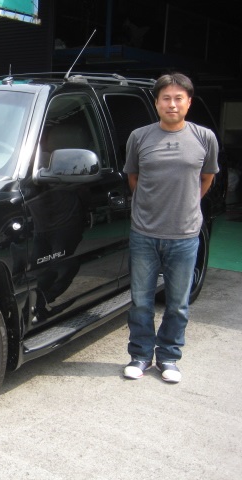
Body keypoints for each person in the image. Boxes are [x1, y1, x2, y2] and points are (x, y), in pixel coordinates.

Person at [122, 72, 219, 383]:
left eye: (179, 98)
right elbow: (133, 178)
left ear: (189, 103)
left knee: (177, 304)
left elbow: (206, 178)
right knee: (141, 301)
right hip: (144, 233)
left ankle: (169, 357)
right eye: (166, 98)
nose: (172, 104)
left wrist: (186, 203)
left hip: (185, 235)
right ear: (156, 103)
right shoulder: (139, 137)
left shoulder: (204, 138)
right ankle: (140, 356)